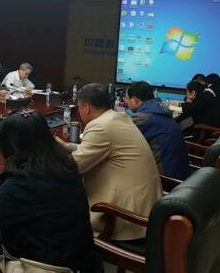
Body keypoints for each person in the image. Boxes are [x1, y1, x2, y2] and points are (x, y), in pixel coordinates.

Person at [0, 110, 98, 272]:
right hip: (80, 262)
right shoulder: (61, 165)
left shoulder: (27, 180)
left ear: (12, 146)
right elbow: (29, 197)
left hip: (45, 267)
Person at [58, 83, 162, 241]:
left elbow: (72, 167)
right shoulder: (118, 117)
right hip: (146, 208)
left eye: (79, 107)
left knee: (59, 210)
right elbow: (97, 150)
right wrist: (68, 146)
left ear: (86, 107)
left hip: (125, 216)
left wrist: (46, 156)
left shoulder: (99, 126)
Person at [126, 81, 191, 180]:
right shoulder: (160, 110)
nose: (127, 102)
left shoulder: (143, 118)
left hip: (166, 179)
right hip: (182, 174)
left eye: (127, 99)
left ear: (135, 100)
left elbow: (119, 137)